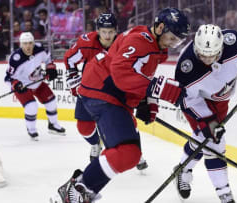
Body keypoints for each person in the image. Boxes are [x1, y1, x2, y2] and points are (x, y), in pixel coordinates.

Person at [51, 7, 190, 203]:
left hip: (109, 94)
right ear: (160, 28)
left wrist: (145, 101)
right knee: (127, 152)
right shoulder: (140, 40)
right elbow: (120, 72)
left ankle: (81, 190)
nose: (174, 44)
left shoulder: (154, 46)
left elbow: (138, 75)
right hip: (102, 91)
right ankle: (75, 191)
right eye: (172, 37)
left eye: (179, 40)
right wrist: (160, 89)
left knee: (130, 153)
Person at [173, 24, 237, 203]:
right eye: (202, 55)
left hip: (221, 100)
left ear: (221, 48)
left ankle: (183, 169)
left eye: (212, 55)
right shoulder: (186, 66)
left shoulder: (232, 42)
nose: (206, 59)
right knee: (214, 141)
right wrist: (208, 121)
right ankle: (224, 192)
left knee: (203, 139)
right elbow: (185, 99)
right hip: (198, 102)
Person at [64, 12, 147, 169]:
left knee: (129, 122)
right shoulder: (87, 42)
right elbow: (69, 59)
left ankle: (136, 150)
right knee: (84, 128)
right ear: (98, 30)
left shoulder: (126, 44)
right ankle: (96, 143)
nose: (107, 36)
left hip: (116, 90)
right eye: (103, 31)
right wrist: (73, 78)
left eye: (110, 32)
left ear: (116, 30)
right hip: (90, 90)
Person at [4, 32, 65, 141]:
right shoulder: (15, 59)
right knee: (31, 107)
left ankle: (53, 125)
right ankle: (31, 130)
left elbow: (48, 59)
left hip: (38, 82)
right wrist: (15, 84)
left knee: (51, 102)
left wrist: (50, 68)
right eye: (25, 43)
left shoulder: (40, 49)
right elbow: (8, 78)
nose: (28, 46)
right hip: (23, 86)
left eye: (30, 43)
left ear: (34, 43)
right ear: (21, 44)